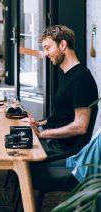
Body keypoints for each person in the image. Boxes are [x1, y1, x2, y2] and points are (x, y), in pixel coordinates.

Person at [28, 25, 98, 158]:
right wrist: (38, 123)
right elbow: (64, 116)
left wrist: (42, 134)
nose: (46, 53)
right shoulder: (67, 74)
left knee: (13, 152)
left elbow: (80, 126)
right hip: (53, 142)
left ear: (63, 45)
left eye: (48, 47)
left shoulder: (82, 78)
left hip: (60, 149)